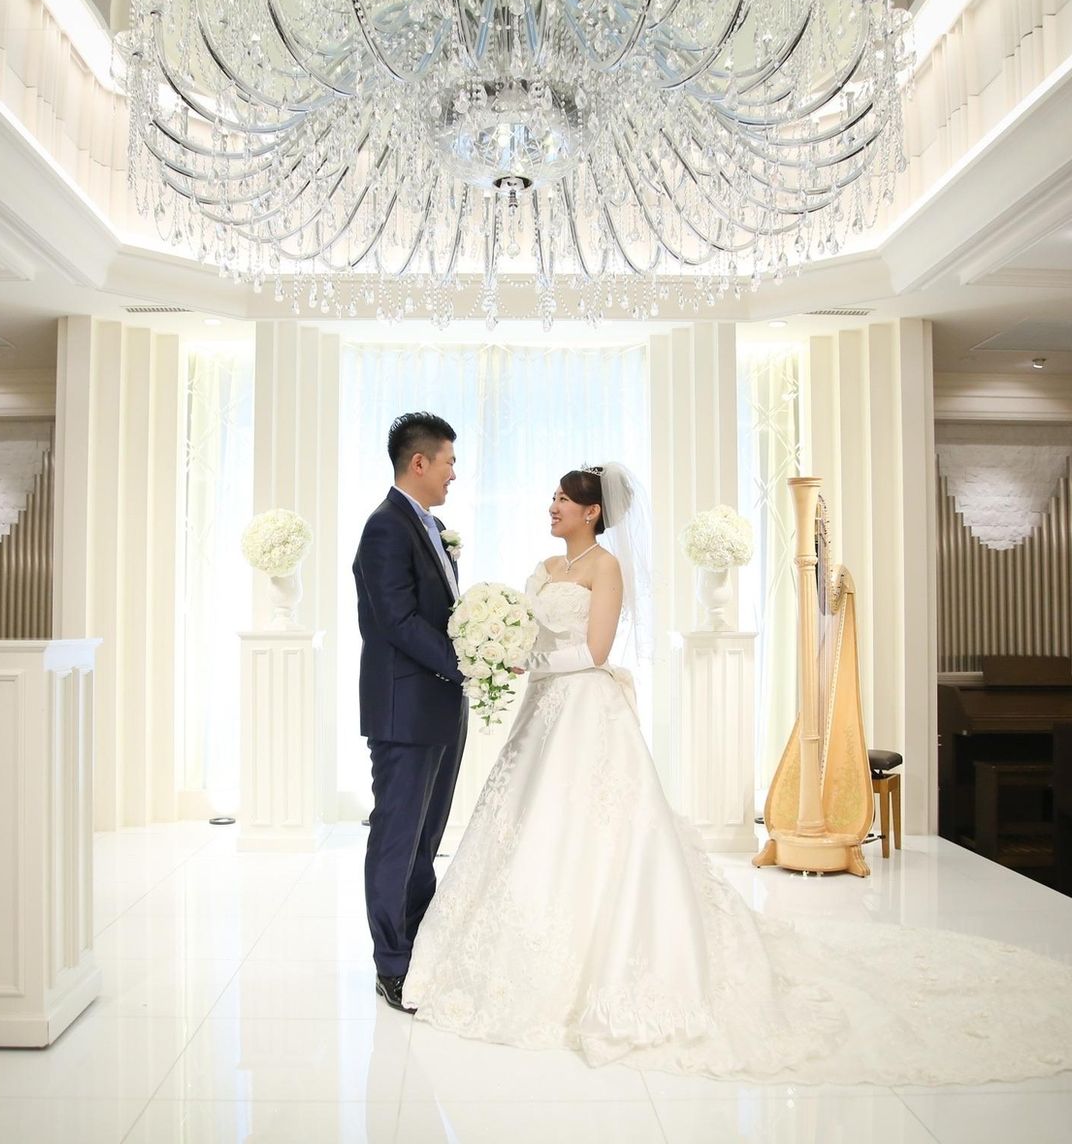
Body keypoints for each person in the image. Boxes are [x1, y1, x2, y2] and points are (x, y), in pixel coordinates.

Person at [403, 462, 1072, 1084]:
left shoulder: (606, 567)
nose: (551, 507)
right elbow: (529, 633)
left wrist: (530, 665)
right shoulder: (545, 567)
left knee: (598, 830)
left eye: (562, 500)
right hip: (542, 712)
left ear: (592, 511)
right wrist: (498, 647)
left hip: (582, 708)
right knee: (526, 824)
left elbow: (597, 650)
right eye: (551, 498)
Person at [353, 412, 467, 1014]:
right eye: (449, 462)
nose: (454, 474)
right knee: (397, 838)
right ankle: (391, 963)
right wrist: (463, 660)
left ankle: (419, 947)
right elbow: (396, 621)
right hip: (405, 709)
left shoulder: (434, 526)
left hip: (441, 705)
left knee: (426, 838)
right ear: (419, 462)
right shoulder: (385, 527)